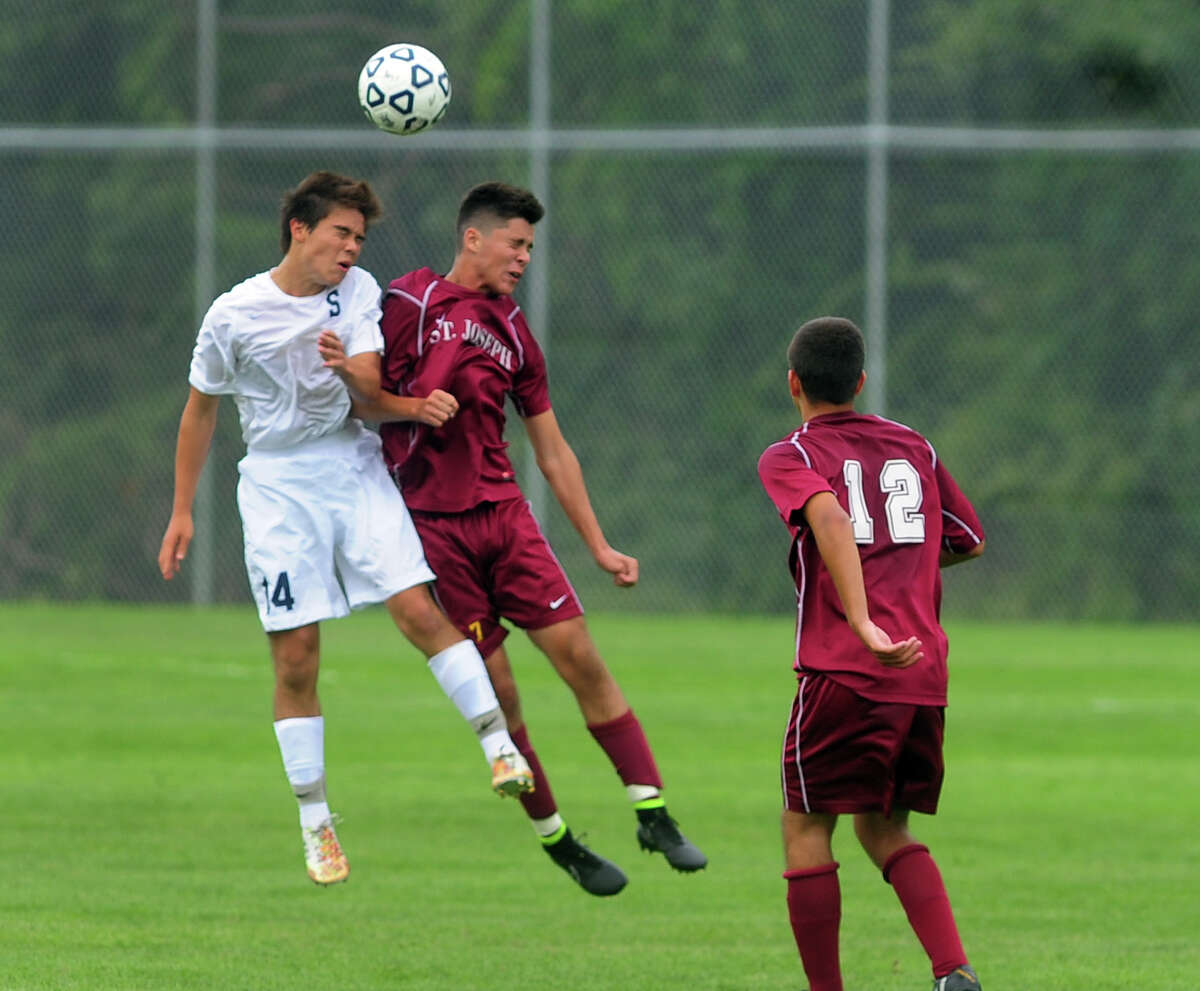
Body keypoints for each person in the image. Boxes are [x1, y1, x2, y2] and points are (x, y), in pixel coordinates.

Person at [157, 170, 533, 888]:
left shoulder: (358, 292)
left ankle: (499, 748)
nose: (353, 248)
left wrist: (366, 381)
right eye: (341, 233)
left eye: (360, 237)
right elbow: (200, 410)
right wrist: (182, 509)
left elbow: (366, 389)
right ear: (299, 229)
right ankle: (315, 821)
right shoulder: (233, 314)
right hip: (277, 487)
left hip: (351, 465)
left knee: (417, 608)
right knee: (297, 658)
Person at [351, 180, 706, 897]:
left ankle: (653, 811)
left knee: (581, 658)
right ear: (473, 237)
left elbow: (552, 449)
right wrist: (411, 407)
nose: (523, 259)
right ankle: (558, 839)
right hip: (434, 531)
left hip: (505, 519)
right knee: (503, 698)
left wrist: (599, 545)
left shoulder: (513, 330)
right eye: (515, 244)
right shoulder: (407, 301)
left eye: (530, 249)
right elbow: (361, 400)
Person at [757, 317, 986, 991]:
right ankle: (954, 971)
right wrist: (901, 572)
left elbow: (829, 516)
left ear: (793, 383)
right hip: (923, 675)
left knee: (806, 824)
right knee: (884, 827)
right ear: (860, 381)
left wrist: (861, 618)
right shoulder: (914, 445)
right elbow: (967, 539)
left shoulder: (790, 454)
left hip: (848, 670)